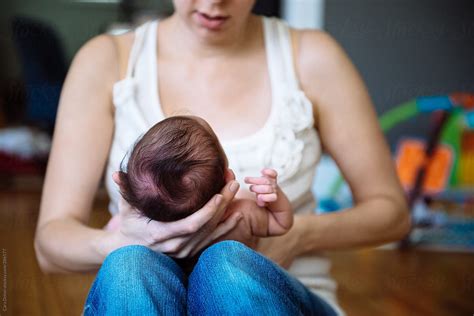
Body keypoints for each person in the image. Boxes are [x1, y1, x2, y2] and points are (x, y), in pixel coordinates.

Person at [34, 0, 411, 315]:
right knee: (128, 266)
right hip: (149, 291)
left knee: (227, 267)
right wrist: (126, 241)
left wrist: (294, 236)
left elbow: (392, 214)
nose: (214, 2)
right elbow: (50, 246)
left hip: (285, 291)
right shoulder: (106, 61)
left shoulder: (312, 57)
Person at [111, 114, 292, 237]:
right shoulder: (238, 213)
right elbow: (281, 224)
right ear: (228, 179)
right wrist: (273, 197)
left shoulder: (129, 229)